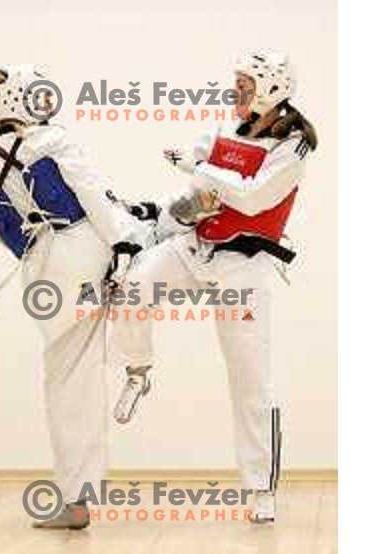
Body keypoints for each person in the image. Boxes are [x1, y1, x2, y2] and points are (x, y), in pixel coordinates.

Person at [113, 50, 317, 523]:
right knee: (134, 287)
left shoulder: (293, 147)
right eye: (236, 83)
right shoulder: (224, 131)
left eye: (245, 84)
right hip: (196, 247)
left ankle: (259, 491)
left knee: (249, 381)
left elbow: (250, 198)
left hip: (244, 268)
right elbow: (196, 192)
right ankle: (139, 370)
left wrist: (197, 169)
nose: (235, 92)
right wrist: (156, 211)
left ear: (269, 89)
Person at [0, 64, 145, 529]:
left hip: (41, 270)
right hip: (84, 249)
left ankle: (74, 499)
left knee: (64, 377)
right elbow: (93, 198)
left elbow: (0, 230)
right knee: (82, 374)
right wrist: (126, 243)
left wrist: (42, 255)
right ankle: (78, 495)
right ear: (24, 99)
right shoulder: (53, 140)